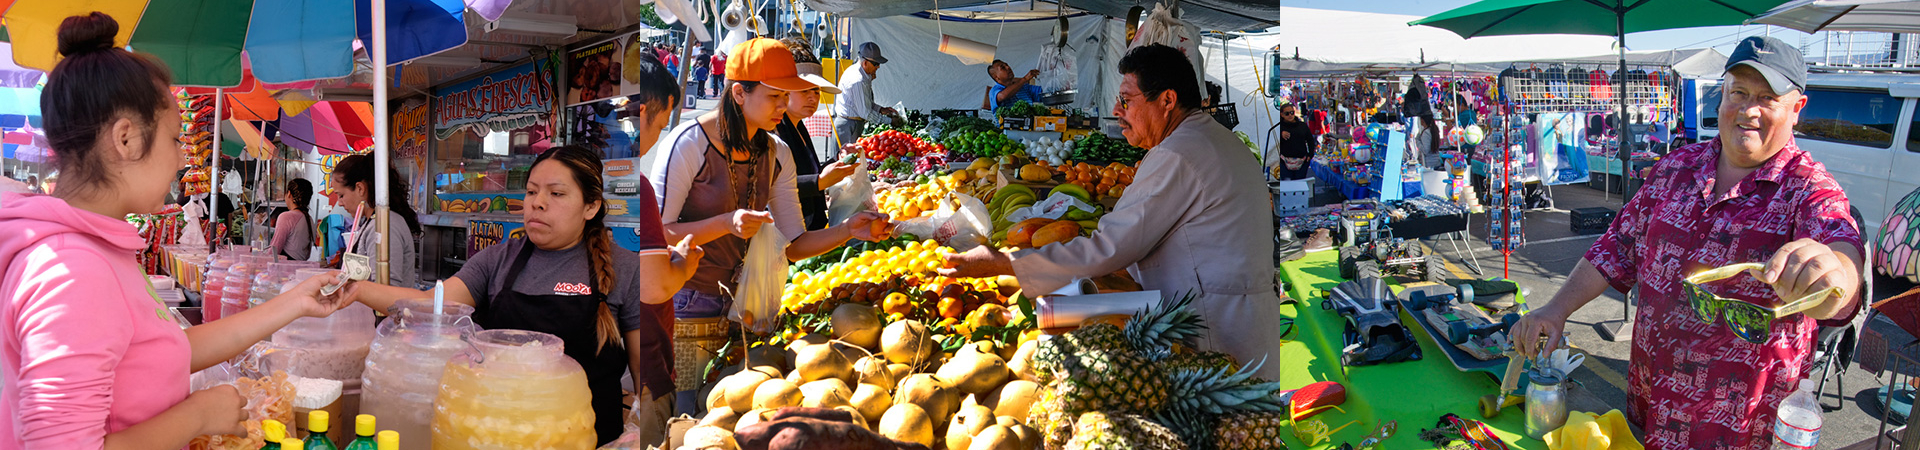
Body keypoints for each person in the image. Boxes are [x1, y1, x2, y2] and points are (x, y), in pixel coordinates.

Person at [0, 13, 356, 449]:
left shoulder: (98, 249)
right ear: (126, 139)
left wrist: (294, 303)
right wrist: (197, 415)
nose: (180, 158)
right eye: (173, 139)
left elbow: (170, 352)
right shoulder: (71, 271)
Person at [1508, 37, 1862, 450]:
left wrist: (1836, 272)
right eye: (1739, 93)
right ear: (1722, 95)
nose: (1749, 110)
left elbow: (1840, 252)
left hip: (1734, 430)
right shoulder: (1677, 167)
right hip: (1649, 403)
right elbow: (1615, 248)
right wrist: (1556, 308)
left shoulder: (1808, 189)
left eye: (1768, 98)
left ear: (1797, 109)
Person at [940, 44, 1282, 380]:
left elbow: (1111, 247)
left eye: (1126, 101)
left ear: (1167, 100)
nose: (1117, 111)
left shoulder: (1179, 154)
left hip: (1217, 332)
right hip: (1238, 320)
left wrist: (1006, 263)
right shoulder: (1212, 140)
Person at [348, 145, 699, 446]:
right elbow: (433, 305)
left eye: (556, 194)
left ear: (590, 207)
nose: (538, 204)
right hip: (490, 435)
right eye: (531, 192)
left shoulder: (625, 269)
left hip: (584, 439)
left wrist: (636, 435)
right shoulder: (497, 259)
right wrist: (354, 290)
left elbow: (646, 379)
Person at [648, 38, 896, 410]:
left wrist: (848, 231)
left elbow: (794, 243)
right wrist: (725, 223)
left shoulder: (777, 153)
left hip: (747, 308)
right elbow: (659, 235)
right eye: (775, 96)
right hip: (687, 306)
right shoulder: (687, 144)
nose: (784, 105)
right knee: (685, 412)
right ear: (739, 93)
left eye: (787, 96)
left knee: (734, 413)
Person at [775, 37, 856, 231]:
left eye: (817, 91)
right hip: (789, 236)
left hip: (810, 229)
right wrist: (819, 182)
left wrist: (838, 160)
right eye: (805, 90)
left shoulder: (798, 125)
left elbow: (809, 171)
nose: (813, 97)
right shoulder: (775, 131)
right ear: (785, 89)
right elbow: (773, 188)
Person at [328, 154, 422, 288]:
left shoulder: (384, 226)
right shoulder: (371, 222)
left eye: (341, 195)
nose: (340, 203)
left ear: (360, 188)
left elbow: (387, 288)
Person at [831, 42, 897, 156]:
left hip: (852, 123)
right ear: (865, 62)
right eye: (876, 63)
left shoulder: (863, 75)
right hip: (848, 126)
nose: (878, 67)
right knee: (845, 163)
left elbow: (866, 102)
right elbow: (865, 113)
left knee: (851, 162)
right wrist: (890, 121)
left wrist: (881, 109)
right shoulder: (858, 80)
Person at [1268, 103, 1317, 181]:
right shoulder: (1278, 127)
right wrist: (1280, 134)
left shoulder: (1302, 126)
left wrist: (1310, 155)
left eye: (1292, 113)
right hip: (1284, 161)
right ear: (1281, 114)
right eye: (1287, 114)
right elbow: (1271, 139)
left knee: (1300, 183)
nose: (1290, 115)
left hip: (1302, 161)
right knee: (1287, 185)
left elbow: (1310, 140)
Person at [270, 178, 315, 261]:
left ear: (289, 194)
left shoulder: (286, 217)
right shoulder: (309, 219)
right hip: (300, 267)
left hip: (286, 269)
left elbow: (274, 251)